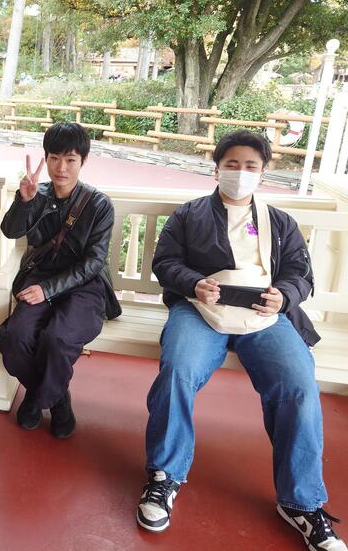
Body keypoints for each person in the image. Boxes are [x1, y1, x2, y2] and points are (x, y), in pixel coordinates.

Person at [136, 130, 345, 551]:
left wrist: (284, 296)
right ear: (217, 169)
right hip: (200, 311)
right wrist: (194, 284)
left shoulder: (279, 222)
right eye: (232, 164)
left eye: (251, 166)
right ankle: (164, 476)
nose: (240, 173)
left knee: (298, 384)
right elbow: (166, 262)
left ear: (263, 173)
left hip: (263, 317)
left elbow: (300, 273)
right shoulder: (190, 215)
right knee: (178, 370)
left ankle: (301, 502)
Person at [0, 122, 121, 438]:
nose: (61, 168)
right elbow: (10, 231)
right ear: (46, 158)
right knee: (15, 337)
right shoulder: (36, 194)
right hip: (41, 278)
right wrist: (24, 201)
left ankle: (36, 399)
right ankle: (57, 399)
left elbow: (93, 262)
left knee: (56, 339)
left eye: (70, 159)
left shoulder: (99, 204)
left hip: (84, 285)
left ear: (83, 161)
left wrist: (48, 290)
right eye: (54, 158)